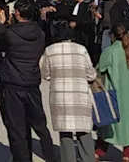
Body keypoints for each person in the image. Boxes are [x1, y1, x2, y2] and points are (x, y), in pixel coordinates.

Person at [0, 0, 58, 162]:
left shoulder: (10, 33)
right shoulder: (40, 33)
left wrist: (2, 24)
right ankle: (51, 156)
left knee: (17, 127)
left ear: (17, 13)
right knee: (40, 125)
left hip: (13, 82)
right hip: (32, 80)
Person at [40, 19, 96, 162]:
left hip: (60, 95)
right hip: (80, 93)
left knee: (65, 131)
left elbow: (45, 74)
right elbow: (91, 73)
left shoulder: (49, 51)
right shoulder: (81, 49)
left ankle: (68, 159)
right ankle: (87, 158)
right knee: (84, 129)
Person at [96, 23, 129, 161]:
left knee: (108, 123)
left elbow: (100, 68)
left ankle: (99, 152)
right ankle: (127, 155)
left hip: (115, 94)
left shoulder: (111, 51)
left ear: (112, 36)